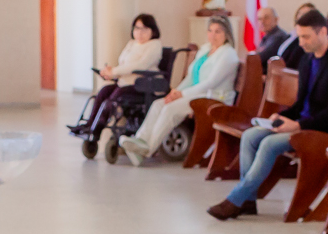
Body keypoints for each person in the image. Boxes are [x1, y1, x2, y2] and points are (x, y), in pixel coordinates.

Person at [207, 9, 328, 219]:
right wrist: (281, 117)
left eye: (306, 37)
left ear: (322, 32)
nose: (301, 43)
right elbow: (300, 103)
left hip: (325, 131)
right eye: (299, 36)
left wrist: (298, 125)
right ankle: (248, 202)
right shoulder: (307, 60)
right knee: (250, 136)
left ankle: (235, 199)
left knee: (269, 143)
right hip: (302, 125)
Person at [120, 16, 239, 165]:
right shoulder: (205, 50)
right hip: (197, 94)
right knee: (159, 104)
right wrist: (175, 92)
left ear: (227, 34)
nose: (213, 35)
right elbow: (191, 77)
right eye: (210, 31)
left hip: (213, 99)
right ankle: (140, 141)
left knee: (170, 109)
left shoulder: (228, 55)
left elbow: (211, 83)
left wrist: (182, 94)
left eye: (218, 31)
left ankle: (148, 148)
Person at [73, 14, 164, 150]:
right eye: (137, 28)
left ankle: (97, 128)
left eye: (144, 29)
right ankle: (89, 125)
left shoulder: (154, 45)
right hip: (124, 82)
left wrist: (114, 72)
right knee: (103, 92)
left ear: (153, 30)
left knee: (116, 95)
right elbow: (124, 64)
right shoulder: (132, 44)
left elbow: (141, 65)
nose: (140, 33)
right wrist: (109, 72)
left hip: (143, 85)